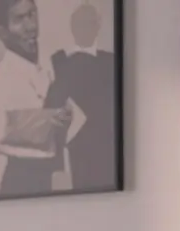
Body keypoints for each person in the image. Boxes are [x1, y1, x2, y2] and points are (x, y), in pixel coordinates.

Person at [0, 0, 72, 197]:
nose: (32, 26)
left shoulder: (59, 69)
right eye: (19, 19)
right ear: (3, 33)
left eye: (32, 14)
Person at [45, 2, 118, 191]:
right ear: (72, 27)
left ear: (97, 26)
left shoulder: (111, 61)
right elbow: (51, 108)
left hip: (107, 146)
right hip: (79, 147)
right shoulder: (59, 61)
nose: (85, 28)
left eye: (90, 23)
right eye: (80, 23)